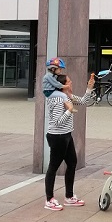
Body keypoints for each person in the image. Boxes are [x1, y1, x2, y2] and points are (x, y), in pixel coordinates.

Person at [44, 72, 95, 211]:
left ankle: (69, 196)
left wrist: (89, 87)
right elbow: (56, 122)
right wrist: (70, 111)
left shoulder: (68, 96)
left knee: (72, 163)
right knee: (53, 167)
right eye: (69, 81)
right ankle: (49, 199)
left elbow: (83, 101)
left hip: (66, 135)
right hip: (57, 136)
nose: (71, 83)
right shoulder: (57, 100)